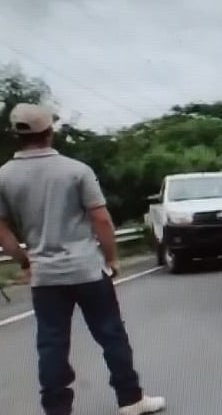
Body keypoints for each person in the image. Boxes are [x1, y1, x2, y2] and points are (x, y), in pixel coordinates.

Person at [0, 104, 165, 415]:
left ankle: (57, 409)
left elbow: (1, 228)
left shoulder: (4, 176)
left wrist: (25, 261)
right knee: (110, 333)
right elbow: (101, 219)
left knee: (51, 344)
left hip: (46, 275)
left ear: (16, 134)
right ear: (49, 132)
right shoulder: (76, 170)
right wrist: (112, 258)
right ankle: (130, 399)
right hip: (87, 268)